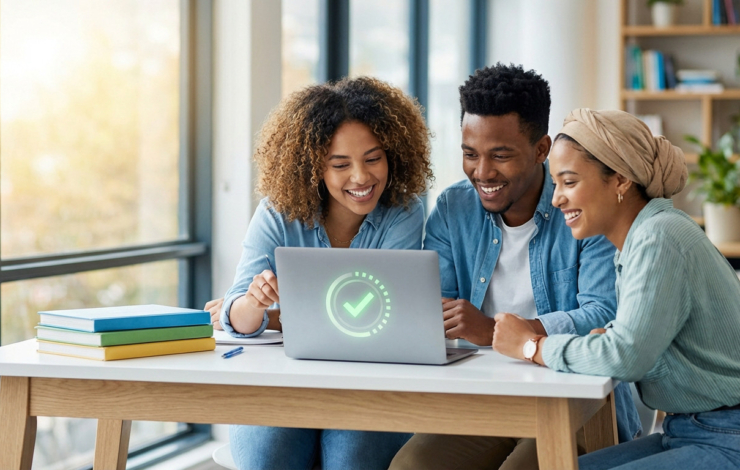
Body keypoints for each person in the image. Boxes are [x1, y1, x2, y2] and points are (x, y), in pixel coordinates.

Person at [390, 64, 641, 470]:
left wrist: (496, 333)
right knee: (412, 466)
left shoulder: (584, 208)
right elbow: (435, 304)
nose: (482, 172)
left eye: (500, 156)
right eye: (470, 155)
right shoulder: (453, 208)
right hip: (483, 394)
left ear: (542, 150)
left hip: (573, 395)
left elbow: (605, 314)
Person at [203, 76, 433, 470]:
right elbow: (235, 318)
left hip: (369, 390)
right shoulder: (277, 214)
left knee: (352, 456)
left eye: (373, 158)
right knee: (268, 452)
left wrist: (279, 317)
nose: (361, 177)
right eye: (340, 164)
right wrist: (254, 306)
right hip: (284, 386)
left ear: (393, 154)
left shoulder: (403, 212)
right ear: (313, 168)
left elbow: (389, 320)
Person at [492, 108, 740, 469]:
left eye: (570, 182)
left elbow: (626, 356)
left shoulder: (659, 239)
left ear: (620, 180)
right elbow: (638, 344)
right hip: (689, 429)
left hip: (725, 437)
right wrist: (606, 341)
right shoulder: (642, 239)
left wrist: (531, 346)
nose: (556, 198)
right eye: (555, 183)